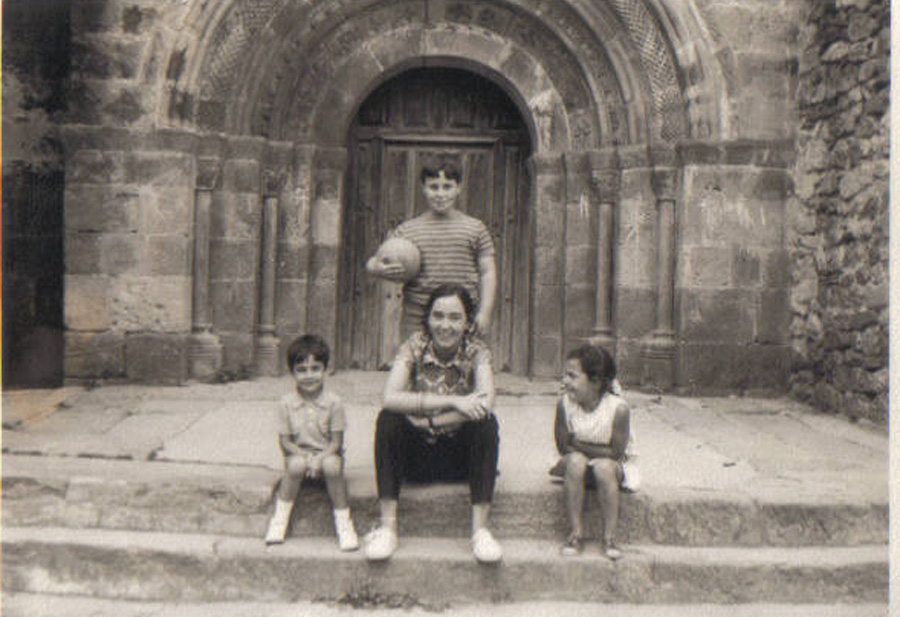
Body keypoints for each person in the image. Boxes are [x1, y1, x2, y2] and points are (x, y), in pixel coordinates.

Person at [364, 284, 502, 563]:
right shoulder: (414, 346)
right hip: (415, 459)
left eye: (455, 317)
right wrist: (454, 402)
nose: (445, 325)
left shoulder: (476, 351)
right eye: (438, 316)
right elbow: (389, 397)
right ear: (427, 319)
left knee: (486, 424)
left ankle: (480, 531)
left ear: (467, 323)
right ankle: (388, 529)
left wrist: (430, 421)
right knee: (389, 420)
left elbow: (485, 402)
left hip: (459, 460)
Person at [365, 161, 497, 339]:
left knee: (465, 356)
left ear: (458, 188)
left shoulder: (475, 228)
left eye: (447, 187)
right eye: (434, 187)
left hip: (461, 315)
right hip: (417, 316)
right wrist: (377, 268)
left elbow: (487, 272)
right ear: (424, 188)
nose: (440, 194)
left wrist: (485, 312)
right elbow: (375, 261)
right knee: (414, 356)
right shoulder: (408, 230)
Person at [265, 335, 359, 551]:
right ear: (292, 372)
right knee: (296, 465)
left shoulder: (334, 402)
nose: (309, 376)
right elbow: (285, 442)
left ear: (325, 370)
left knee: (332, 465)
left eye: (315, 368)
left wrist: (319, 458)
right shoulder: (286, 403)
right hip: (298, 456)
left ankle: (344, 524)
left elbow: (336, 443)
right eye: (302, 370)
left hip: (327, 455)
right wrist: (306, 458)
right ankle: (279, 520)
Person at [554, 344, 639, 560]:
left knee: (603, 467)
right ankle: (576, 533)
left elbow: (615, 453)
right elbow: (563, 446)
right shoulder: (565, 404)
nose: (565, 381)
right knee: (575, 462)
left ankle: (609, 537)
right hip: (578, 467)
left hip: (611, 468)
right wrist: (580, 451)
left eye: (572, 376)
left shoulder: (618, 409)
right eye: (565, 375)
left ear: (596, 381)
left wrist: (578, 444)